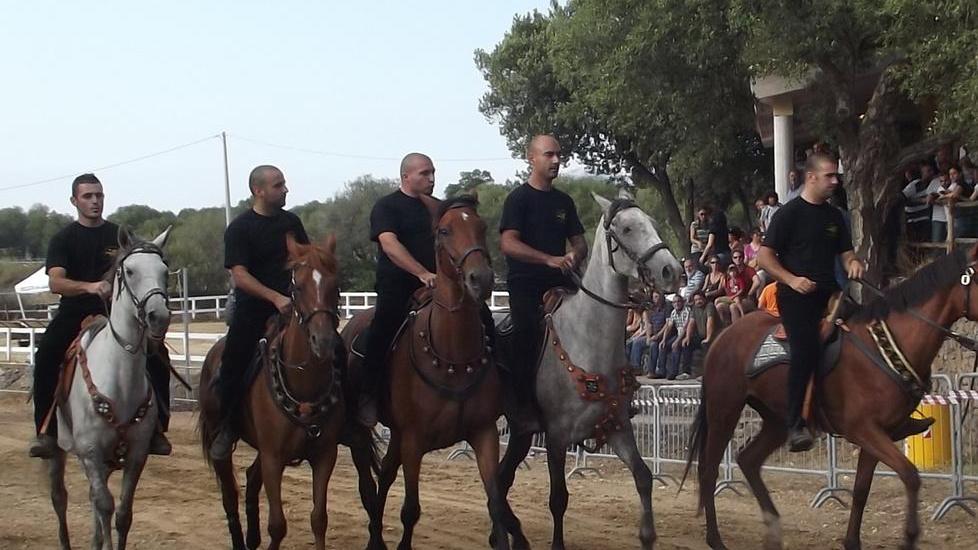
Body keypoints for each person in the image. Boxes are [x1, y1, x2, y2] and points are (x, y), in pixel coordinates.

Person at [29, 174, 171, 459]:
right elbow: (56, 282)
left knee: (158, 355)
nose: (95, 201)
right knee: (46, 354)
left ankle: (157, 428)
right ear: (74, 201)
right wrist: (89, 286)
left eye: (99, 195)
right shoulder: (64, 238)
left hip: (115, 313)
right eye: (88, 196)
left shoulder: (120, 236)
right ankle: (46, 431)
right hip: (75, 311)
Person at [758, 151, 866, 452]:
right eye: (830, 175)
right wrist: (792, 279)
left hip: (831, 295)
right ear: (812, 177)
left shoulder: (835, 216)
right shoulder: (788, 214)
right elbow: (764, 257)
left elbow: (845, 253)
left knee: (868, 331)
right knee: (805, 350)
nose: (835, 181)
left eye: (837, 176)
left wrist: (853, 263)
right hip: (795, 298)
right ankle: (796, 424)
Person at [209, 165, 309, 460]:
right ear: (259, 190)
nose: (285, 189)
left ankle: (345, 421)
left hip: (293, 307)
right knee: (233, 362)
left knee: (333, 351)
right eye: (279, 185)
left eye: (284, 184)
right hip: (253, 309)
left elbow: (306, 259)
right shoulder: (240, 228)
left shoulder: (292, 222)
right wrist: (275, 298)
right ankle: (226, 426)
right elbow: (240, 275)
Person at [500, 134, 588, 431]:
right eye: (549, 155)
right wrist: (548, 259)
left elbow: (579, 242)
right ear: (531, 158)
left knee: (598, 321)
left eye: (559, 155)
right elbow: (508, 243)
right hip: (526, 283)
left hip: (562, 282)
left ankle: (610, 392)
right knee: (525, 332)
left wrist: (575, 254)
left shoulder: (564, 201)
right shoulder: (518, 199)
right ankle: (522, 404)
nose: (556, 161)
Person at [658, 294, 695, 380]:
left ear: (682, 302)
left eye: (678, 301)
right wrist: (663, 340)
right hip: (678, 335)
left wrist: (677, 341)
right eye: (674, 302)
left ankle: (673, 372)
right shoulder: (673, 312)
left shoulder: (687, 310)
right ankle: (661, 371)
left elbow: (685, 328)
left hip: (687, 334)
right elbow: (669, 327)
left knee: (676, 346)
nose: (676, 304)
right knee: (663, 345)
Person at [926, 167, 961, 242]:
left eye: (946, 180)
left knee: (952, 241)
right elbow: (931, 196)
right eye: (941, 181)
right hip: (938, 218)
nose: (944, 183)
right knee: (937, 242)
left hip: (952, 219)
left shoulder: (954, 186)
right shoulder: (939, 188)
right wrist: (933, 196)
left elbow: (946, 195)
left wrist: (938, 199)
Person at [901, 165, 931, 242]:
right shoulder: (916, 184)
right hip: (915, 218)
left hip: (920, 218)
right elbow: (903, 199)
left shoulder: (920, 184)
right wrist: (921, 200)